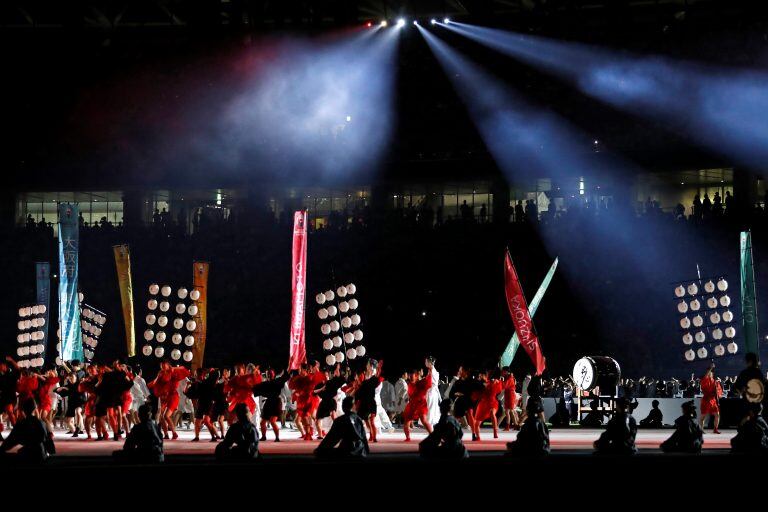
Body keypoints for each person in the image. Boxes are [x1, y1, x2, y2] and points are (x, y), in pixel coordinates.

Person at [0, 399, 55, 464]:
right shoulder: (42, 423)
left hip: (27, 456)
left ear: (23, 410)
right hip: (41, 456)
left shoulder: (21, 424)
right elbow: (51, 449)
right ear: (35, 409)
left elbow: (8, 443)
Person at [402, 368, 433, 442]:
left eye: (412, 375)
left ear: (416, 376)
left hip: (421, 404)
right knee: (406, 421)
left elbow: (428, 380)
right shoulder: (409, 384)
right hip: (412, 405)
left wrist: (429, 371)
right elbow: (410, 394)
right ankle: (408, 437)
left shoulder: (421, 383)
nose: (410, 377)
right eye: (409, 376)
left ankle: (433, 435)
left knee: (424, 421)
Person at [474, 369, 503, 440]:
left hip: (492, 402)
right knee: (476, 423)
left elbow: (499, 389)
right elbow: (476, 394)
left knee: (492, 413)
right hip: (482, 404)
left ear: (485, 375)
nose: (479, 377)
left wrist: (496, 382)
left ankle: (495, 433)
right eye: (479, 376)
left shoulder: (494, 382)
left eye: (481, 375)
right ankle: (478, 437)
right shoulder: (479, 383)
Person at [699, 364, 722, 434]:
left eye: (711, 373)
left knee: (717, 415)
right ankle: (701, 429)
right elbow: (706, 375)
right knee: (703, 416)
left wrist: (717, 397)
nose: (710, 374)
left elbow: (718, 391)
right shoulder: (704, 380)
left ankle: (715, 429)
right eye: (709, 373)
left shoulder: (715, 382)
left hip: (713, 401)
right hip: (706, 400)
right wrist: (711, 368)